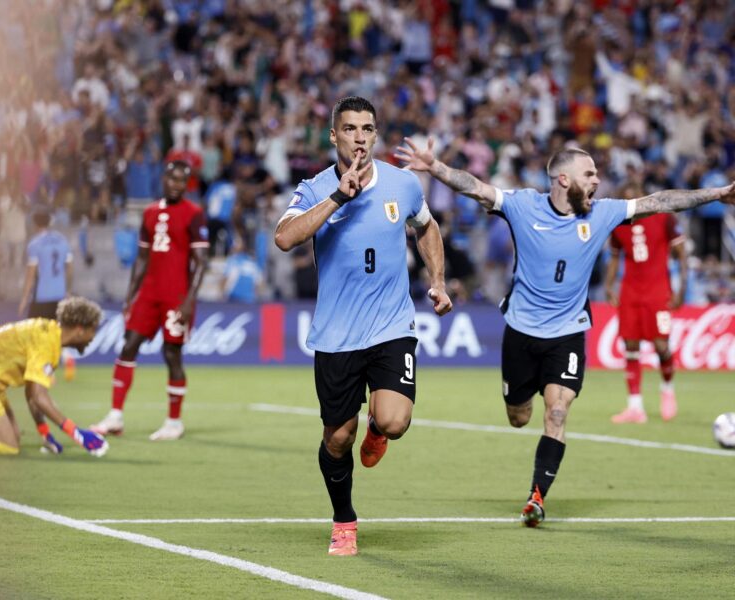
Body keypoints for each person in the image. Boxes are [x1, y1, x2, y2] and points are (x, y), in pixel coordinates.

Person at [395, 140, 735, 527]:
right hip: (521, 331)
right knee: (519, 417)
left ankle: (536, 498)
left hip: (568, 332)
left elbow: (661, 201)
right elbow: (474, 186)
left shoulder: (605, 213)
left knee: (557, 412)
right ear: (563, 179)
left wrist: (719, 194)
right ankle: (525, 414)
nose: (597, 180)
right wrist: (434, 166)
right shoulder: (524, 206)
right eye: (589, 174)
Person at [274, 97, 452, 556]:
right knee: (337, 439)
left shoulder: (402, 184)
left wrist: (437, 280)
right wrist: (338, 197)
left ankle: (378, 428)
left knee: (394, 421)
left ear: (375, 135)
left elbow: (427, 228)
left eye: (367, 129)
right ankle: (344, 519)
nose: (358, 137)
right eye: (349, 129)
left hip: (393, 325)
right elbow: (285, 238)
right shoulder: (314, 188)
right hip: (337, 335)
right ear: (334, 136)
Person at [90, 160, 209, 441]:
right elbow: (141, 258)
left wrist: (189, 301)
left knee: (171, 354)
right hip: (149, 293)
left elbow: (201, 262)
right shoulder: (150, 212)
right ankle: (115, 416)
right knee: (129, 345)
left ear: (186, 184)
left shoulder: (194, 214)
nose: (176, 185)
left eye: (182, 181)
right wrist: (131, 295)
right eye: (172, 179)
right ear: (164, 180)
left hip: (176, 295)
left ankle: (174, 422)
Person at [0, 297, 107, 457]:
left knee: (14, 436)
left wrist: (44, 432)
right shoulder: (46, 344)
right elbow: (39, 396)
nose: (92, 338)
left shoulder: (49, 334)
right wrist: (76, 433)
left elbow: (32, 392)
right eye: (92, 330)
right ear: (79, 330)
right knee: (8, 446)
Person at [605, 211, 687, 423]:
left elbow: (681, 251)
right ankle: (635, 407)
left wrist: (681, 288)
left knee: (661, 345)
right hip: (630, 292)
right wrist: (608, 284)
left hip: (659, 291)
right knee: (631, 347)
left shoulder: (664, 218)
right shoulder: (618, 223)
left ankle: (667, 388)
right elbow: (615, 257)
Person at [18, 207, 77, 380]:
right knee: (57, 332)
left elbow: (30, 275)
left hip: (42, 296)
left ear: (35, 224)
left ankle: (45, 370)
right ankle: (67, 357)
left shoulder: (34, 244)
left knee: (36, 334)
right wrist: (68, 289)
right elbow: (70, 268)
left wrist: (24, 299)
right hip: (59, 295)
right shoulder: (62, 240)